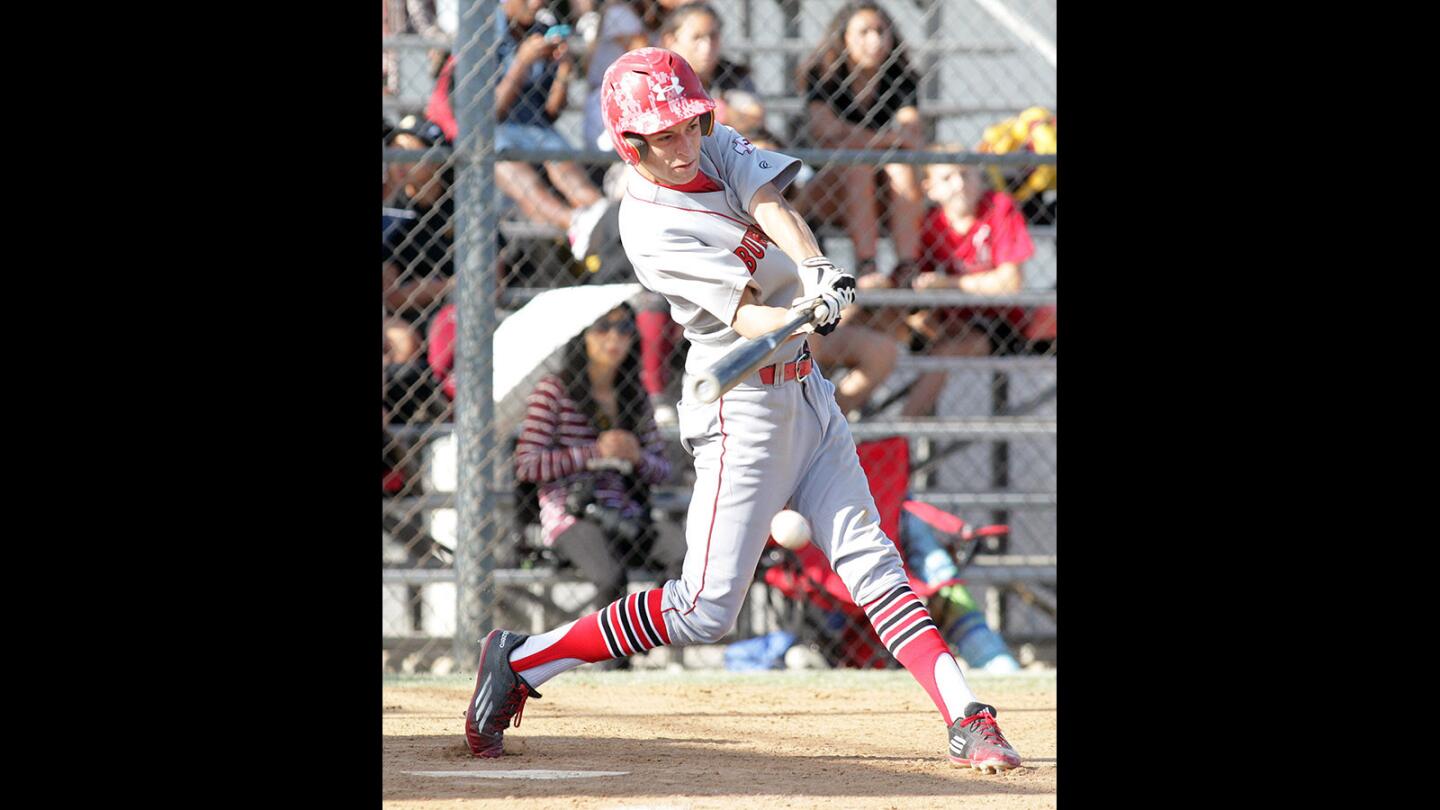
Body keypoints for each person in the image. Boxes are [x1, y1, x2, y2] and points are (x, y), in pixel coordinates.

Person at [464, 48, 1022, 774]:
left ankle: (966, 715)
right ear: (628, 143)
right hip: (741, 405)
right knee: (703, 610)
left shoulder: (713, 142)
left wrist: (819, 270)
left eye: (690, 125)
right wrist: (802, 312)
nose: (682, 144)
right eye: (661, 136)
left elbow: (771, 204)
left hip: (805, 393)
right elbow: (749, 314)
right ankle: (523, 658)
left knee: (875, 564)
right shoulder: (649, 224)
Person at [512, 303, 686, 616]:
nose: (614, 338)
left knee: (685, 555)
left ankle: (653, 632)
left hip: (628, 513)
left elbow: (662, 470)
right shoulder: (552, 391)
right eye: (603, 327)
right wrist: (595, 454)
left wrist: (636, 456)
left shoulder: (635, 396)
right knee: (610, 575)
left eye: (624, 329)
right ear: (582, 335)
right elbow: (527, 464)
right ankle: (613, 663)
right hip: (572, 514)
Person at [426, 0, 610, 261]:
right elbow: (487, 116)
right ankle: (576, 222)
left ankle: (603, 213)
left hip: (537, 130)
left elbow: (551, 112)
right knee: (509, 163)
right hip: (495, 133)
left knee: (563, 164)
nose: (536, 4)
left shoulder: (542, 29)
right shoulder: (482, 33)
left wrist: (565, 70)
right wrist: (522, 63)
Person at [794, 1, 926, 281]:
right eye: (864, 32)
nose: (875, 40)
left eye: (881, 31)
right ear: (844, 37)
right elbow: (825, 131)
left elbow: (911, 134)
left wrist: (852, 139)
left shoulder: (901, 78)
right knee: (858, 167)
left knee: (899, 168)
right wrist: (888, 140)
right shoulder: (824, 75)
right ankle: (868, 267)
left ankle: (907, 267)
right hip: (830, 190)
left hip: (884, 193)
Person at [898, 148, 1034, 417]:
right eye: (948, 178)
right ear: (930, 189)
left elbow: (1010, 283)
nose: (960, 184)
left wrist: (948, 285)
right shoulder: (930, 222)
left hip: (999, 322)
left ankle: (893, 436)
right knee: (898, 324)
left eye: (966, 174)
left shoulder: (998, 207)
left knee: (945, 352)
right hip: (948, 319)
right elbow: (916, 281)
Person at [657, 3, 761, 135]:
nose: (707, 47)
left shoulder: (731, 74)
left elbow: (754, 116)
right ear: (671, 41)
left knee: (760, 144)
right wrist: (724, 113)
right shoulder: (656, 79)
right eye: (697, 37)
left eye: (713, 36)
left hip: (725, 148)